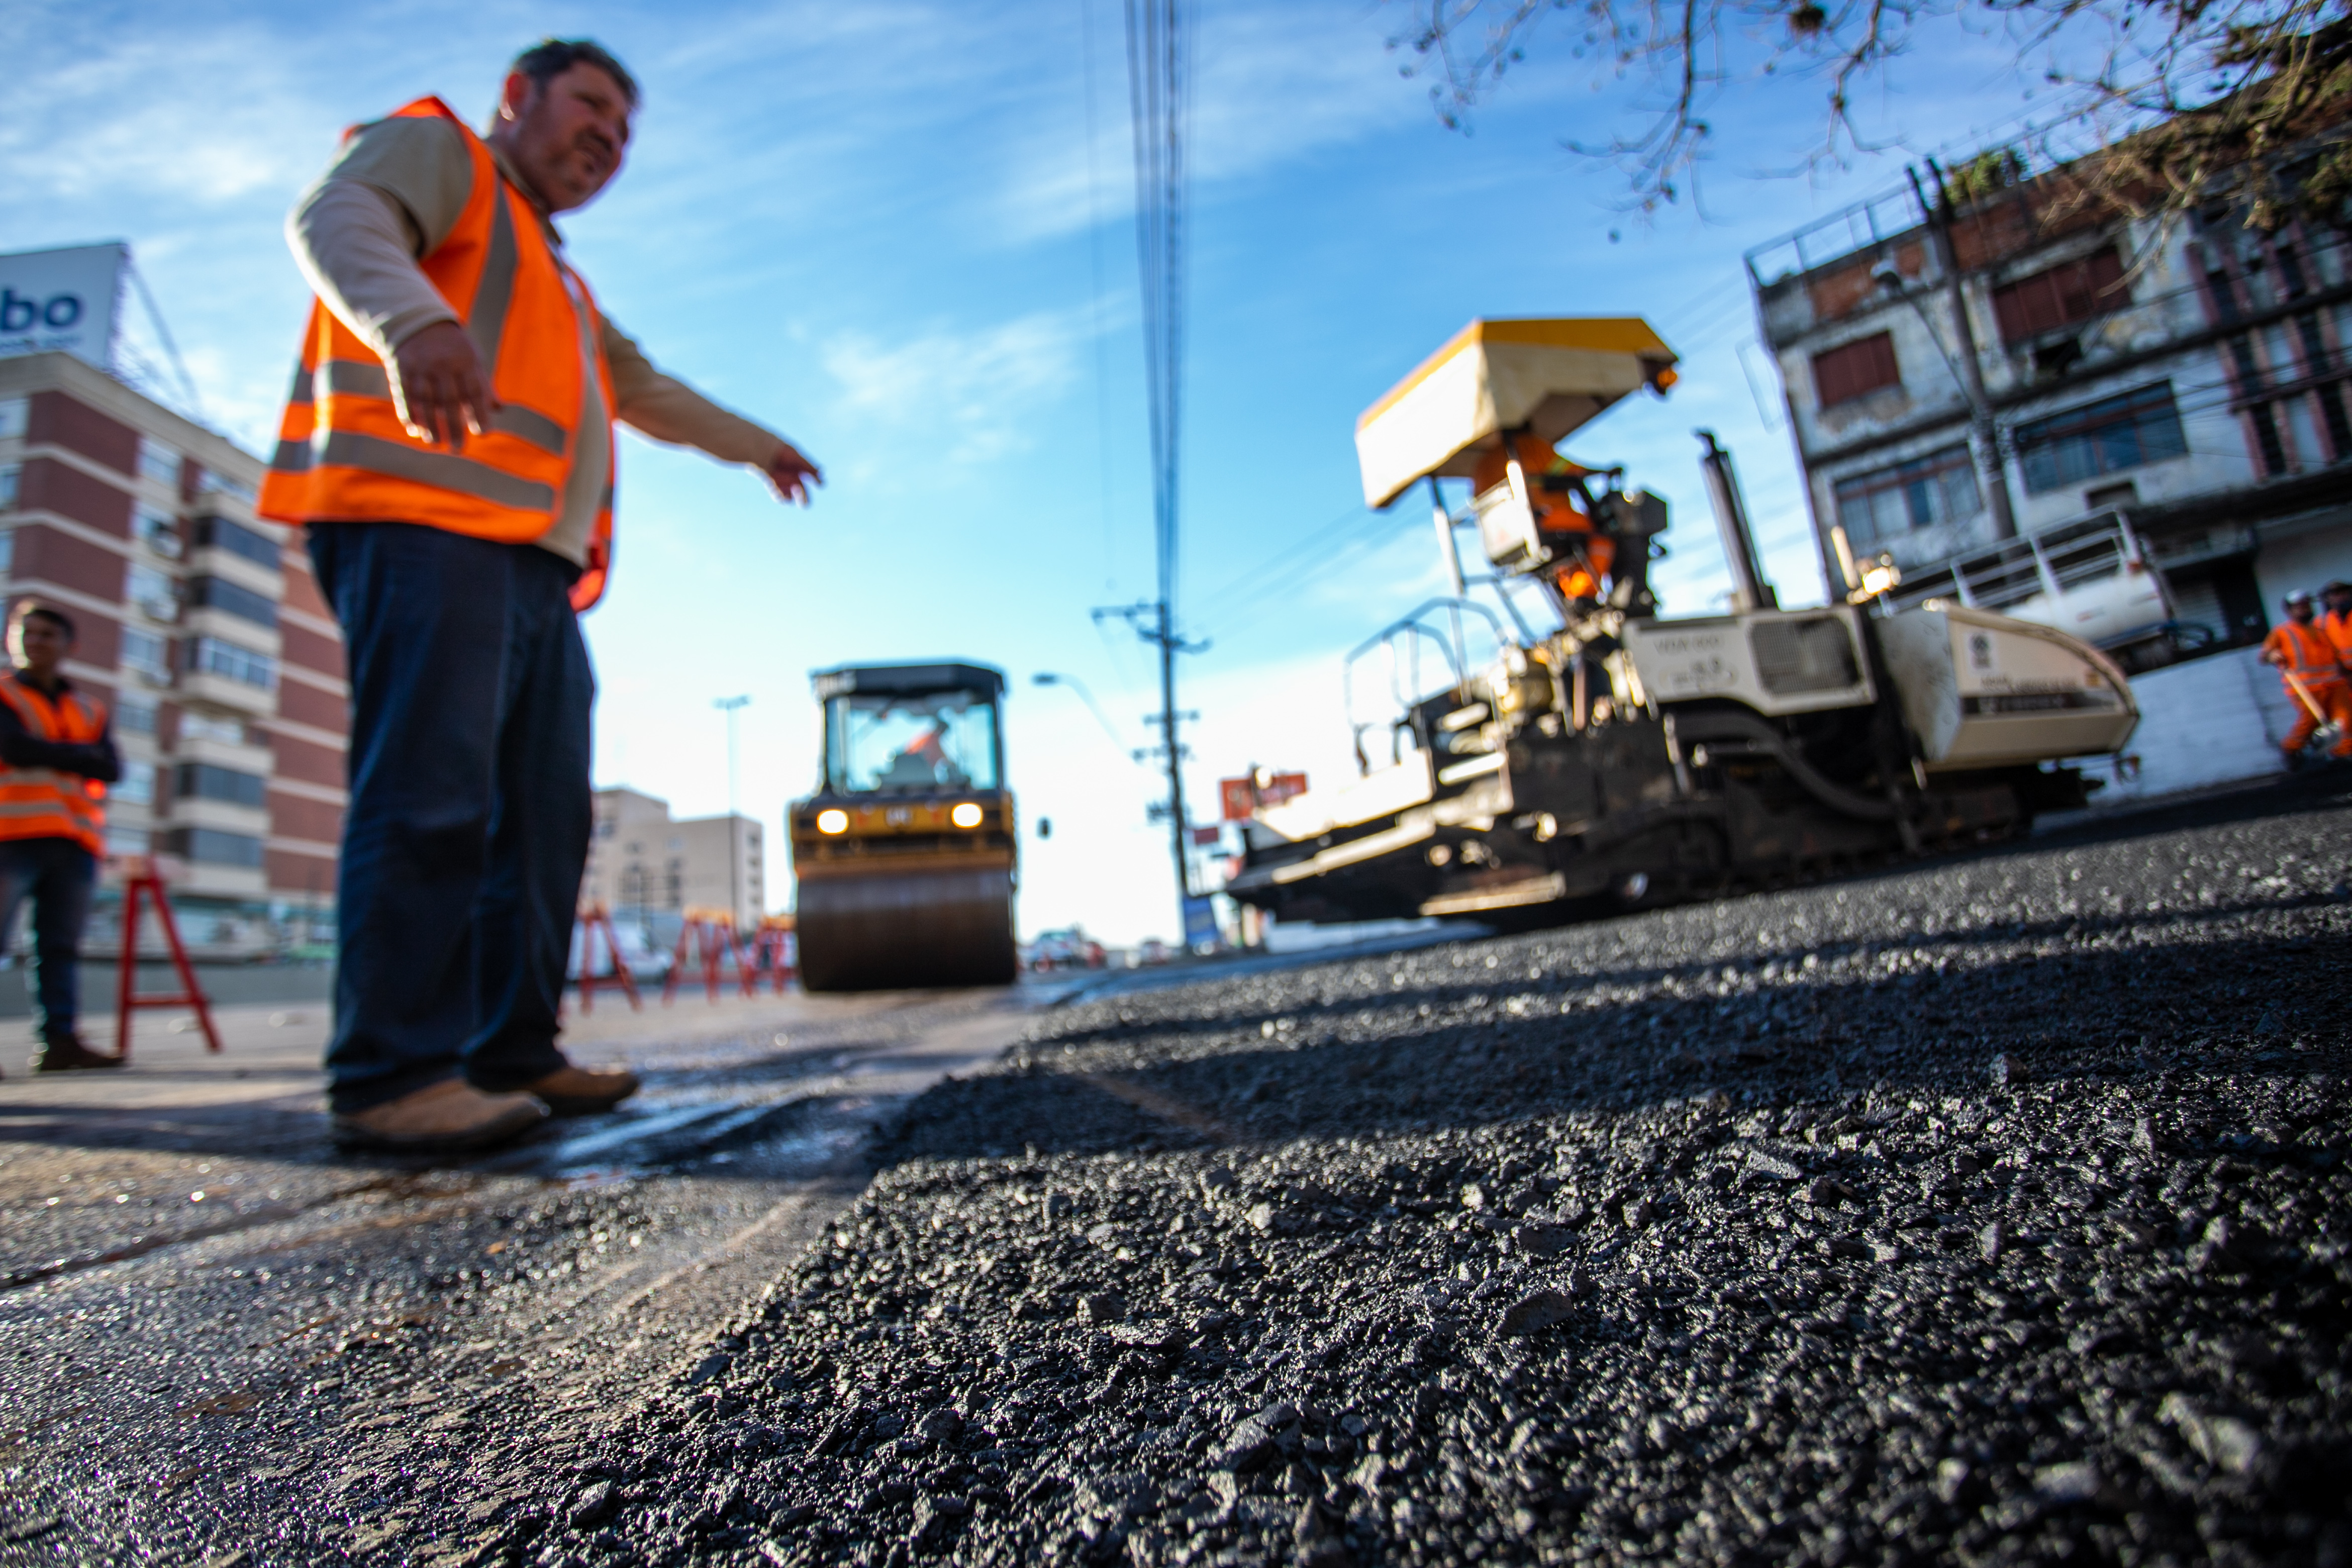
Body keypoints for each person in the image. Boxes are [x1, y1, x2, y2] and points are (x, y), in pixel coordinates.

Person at [259, 40, 823, 1152]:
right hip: (422, 527)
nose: (608, 136)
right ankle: (392, 1075)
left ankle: (511, 1052)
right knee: (429, 798)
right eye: (592, 105)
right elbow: (336, 219)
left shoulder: (559, 278)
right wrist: (412, 323)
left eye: (626, 127)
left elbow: (643, 389)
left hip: (531, 567)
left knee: (543, 819)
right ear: (517, 97)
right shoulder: (439, 153)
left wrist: (759, 446)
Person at [0, 604, 124, 1073]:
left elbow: (111, 767)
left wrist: (48, 754)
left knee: (61, 946)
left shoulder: (89, 707)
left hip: (74, 839)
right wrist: (78, 754)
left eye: (48, 634)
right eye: (26, 633)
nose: (35, 642)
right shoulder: (5, 694)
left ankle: (60, 1041)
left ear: (68, 646)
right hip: (10, 832)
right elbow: (12, 747)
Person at [2259, 589, 2352, 765]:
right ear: (2290, 610)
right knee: (2309, 723)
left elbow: (2336, 657)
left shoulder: (2321, 629)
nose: (2305, 610)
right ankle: (2291, 749)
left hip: (2334, 684)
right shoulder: (2282, 632)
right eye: (2299, 607)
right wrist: (2273, 656)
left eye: (2307, 606)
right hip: (2306, 688)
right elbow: (2264, 656)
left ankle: (2344, 755)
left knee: (2345, 719)